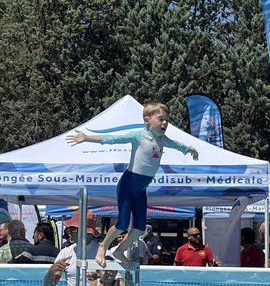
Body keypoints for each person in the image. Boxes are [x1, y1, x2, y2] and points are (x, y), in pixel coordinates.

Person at [66, 101, 200, 270]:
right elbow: (111, 139)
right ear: (147, 120)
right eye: (160, 119)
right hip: (128, 184)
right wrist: (86, 138)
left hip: (141, 189)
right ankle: (103, 247)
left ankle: (119, 251)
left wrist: (189, 149)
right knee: (122, 223)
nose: (165, 123)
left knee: (139, 229)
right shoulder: (138, 135)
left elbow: (177, 145)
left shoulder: (162, 139)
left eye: (166, 120)